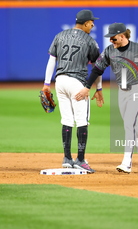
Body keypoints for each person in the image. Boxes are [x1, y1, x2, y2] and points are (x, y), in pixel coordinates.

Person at [76, 23, 138, 173]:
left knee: (129, 123)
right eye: (110, 39)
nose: (111, 41)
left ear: (122, 36)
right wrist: (87, 87)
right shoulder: (109, 51)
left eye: (113, 39)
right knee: (132, 125)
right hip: (122, 91)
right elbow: (97, 69)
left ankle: (127, 162)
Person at [42, 9, 103, 174]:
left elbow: (51, 61)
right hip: (78, 83)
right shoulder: (90, 40)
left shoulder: (59, 36)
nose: (93, 25)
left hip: (60, 81)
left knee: (67, 119)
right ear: (84, 23)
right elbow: (97, 67)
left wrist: (46, 84)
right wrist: (98, 88)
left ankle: (67, 158)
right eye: (91, 22)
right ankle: (81, 160)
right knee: (82, 121)